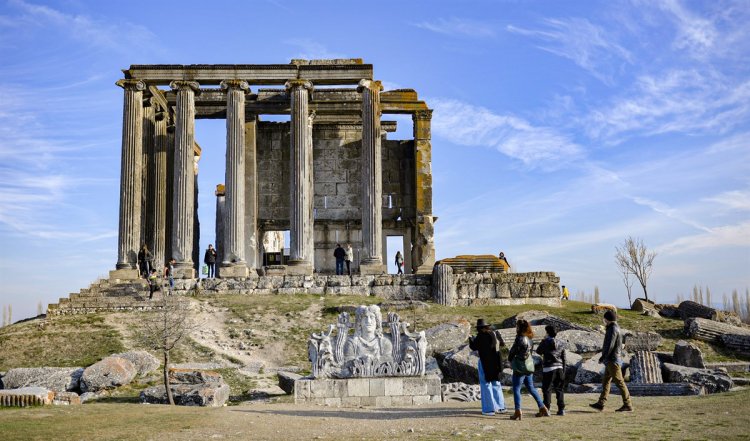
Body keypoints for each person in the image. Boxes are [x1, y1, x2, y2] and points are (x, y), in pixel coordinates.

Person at [590, 310, 633, 412]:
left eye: (604, 319)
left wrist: (603, 357)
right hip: (612, 359)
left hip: (612, 360)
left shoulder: (612, 329)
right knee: (606, 381)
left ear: (607, 319)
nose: (603, 321)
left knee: (619, 382)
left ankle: (628, 404)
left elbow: (610, 345)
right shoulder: (615, 328)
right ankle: (601, 403)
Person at [507, 319, 549, 420]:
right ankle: (542, 407)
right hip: (528, 366)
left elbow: (513, 352)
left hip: (520, 368)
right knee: (531, 388)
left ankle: (518, 411)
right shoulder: (530, 338)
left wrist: (510, 358)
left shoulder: (519, 338)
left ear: (518, 328)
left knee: (516, 388)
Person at [468, 318, 506, 416]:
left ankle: (489, 409)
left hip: (485, 362)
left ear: (479, 328)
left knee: (485, 384)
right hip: (495, 362)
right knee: (496, 383)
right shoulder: (493, 334)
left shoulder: (480, 336)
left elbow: (474, 347)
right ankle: (500, 407)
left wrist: (471, 339)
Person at [536, 325, 567, 416]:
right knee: (560, 389)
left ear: (547, 332)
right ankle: (561, 409)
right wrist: (564, 370)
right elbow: (564, 358)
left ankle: (547, 409)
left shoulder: (545, 342)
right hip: (560, 368)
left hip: (549, 368)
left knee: (547, 389)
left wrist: (543, 341)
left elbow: (538, 351)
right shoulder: (561, 342)